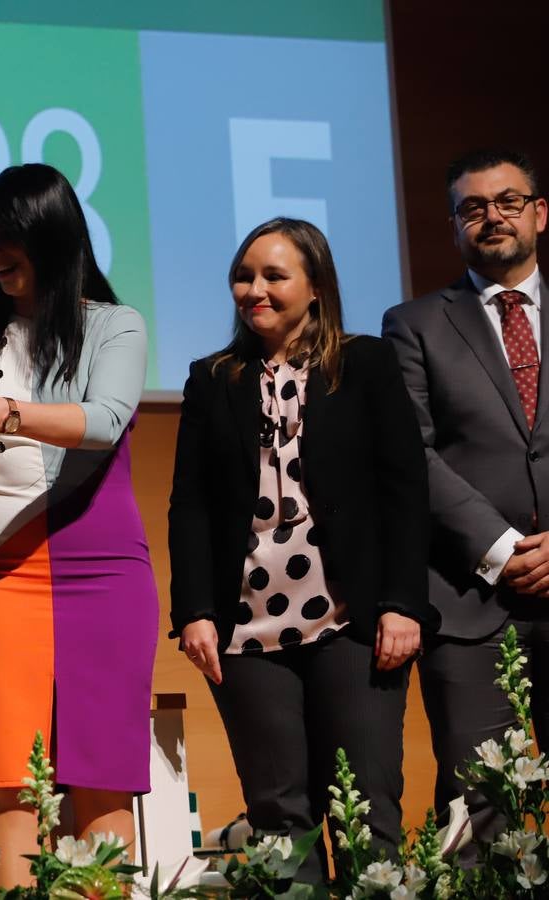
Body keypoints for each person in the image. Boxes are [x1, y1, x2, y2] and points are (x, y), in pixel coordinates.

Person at [0, 163, 159, 887]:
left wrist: (9, 411)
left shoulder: (116, 325)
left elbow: (106, 422)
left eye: (5, 236)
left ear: (52, 231)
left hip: (106, 571)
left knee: (103, 777)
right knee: (10, 777)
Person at [170, 217, 433, 884]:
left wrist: (402, 602)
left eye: (273, 276)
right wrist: (195, 610)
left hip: (352, 618)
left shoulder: (365, 363)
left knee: (366, 810)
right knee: (279, 816)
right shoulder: (213, 379)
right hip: (248, 625)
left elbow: (405, 490)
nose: (253, 289)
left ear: (315, 286)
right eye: (244, 275)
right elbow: (191, 507)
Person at [382, 148, 549, 850]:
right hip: (471, 599)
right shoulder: (414, 324)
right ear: (454, 227)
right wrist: (506, 548)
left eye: (508, 201)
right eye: (473, 207)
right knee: (481, 815)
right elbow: (409, 455)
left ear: (540, 213)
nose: (493, 217)